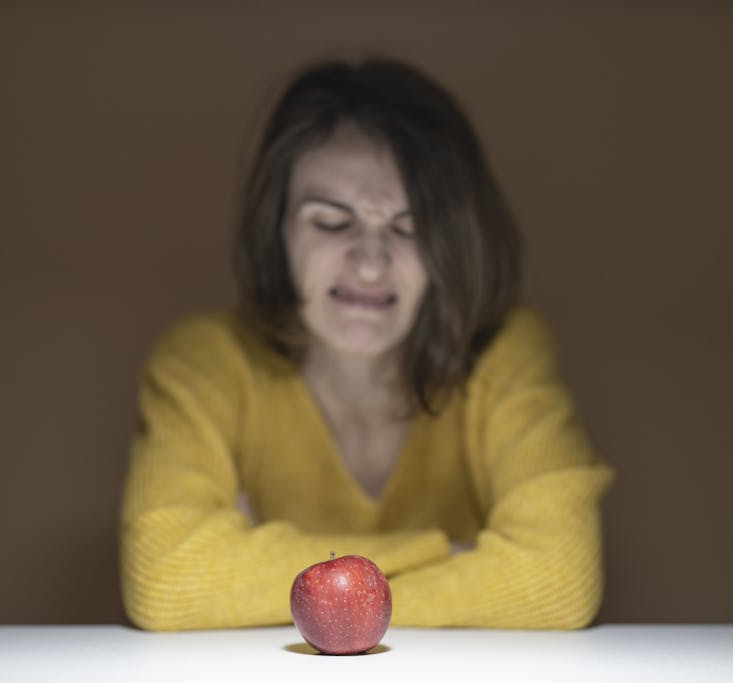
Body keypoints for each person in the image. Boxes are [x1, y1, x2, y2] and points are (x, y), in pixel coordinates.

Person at [119, 58, 613, 631]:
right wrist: (452, 555)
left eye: (410, 228)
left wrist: (258, 568)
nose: (371, 264)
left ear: (451, 244)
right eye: (332, 222)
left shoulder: (505, 350)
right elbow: (167, 579)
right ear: (275, 229)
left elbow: (557, 581)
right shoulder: (204, 361)